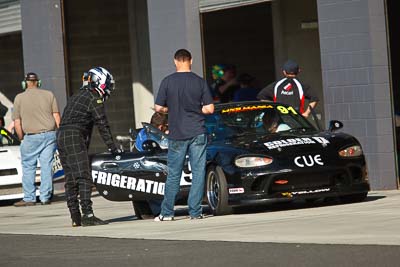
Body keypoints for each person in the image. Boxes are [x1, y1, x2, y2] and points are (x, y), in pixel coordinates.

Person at [154, 49, 214, 221]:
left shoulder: (167, 82)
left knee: (174, 173)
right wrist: (197, 109)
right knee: (198, 172)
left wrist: (169, 109)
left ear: (175, 61)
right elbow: (209, 109)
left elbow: (158, 107)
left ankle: (167, 213)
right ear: (191, 61)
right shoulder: (199, 81)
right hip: (197, 131)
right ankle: (195, 212)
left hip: (177, 133)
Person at [57, 67, 121, 227]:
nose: (109, 90)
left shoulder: (77, 95)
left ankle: (75, 217)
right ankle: (88, 215)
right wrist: (113, 148)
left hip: (61, 136)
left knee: (70, 178)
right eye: (108, 85)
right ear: (101, 82)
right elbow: (102, 124)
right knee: (84, 176)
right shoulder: (94, 97)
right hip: (73, 135)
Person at [12, 72, 61, 207]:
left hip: (31, 137)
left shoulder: (19, 98)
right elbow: (56, 116)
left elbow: (17, 122)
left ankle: (29, 198)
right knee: (46, 166)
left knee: (28, 167)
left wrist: (21, 138)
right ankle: (45, 198)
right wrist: (60, 133)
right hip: (50, 135)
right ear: (38, 83)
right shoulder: (49, 94)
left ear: (25, 83)